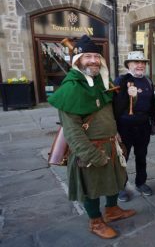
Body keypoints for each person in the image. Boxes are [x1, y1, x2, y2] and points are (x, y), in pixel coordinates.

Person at [48, 35, 135, 239]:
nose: (93, 61)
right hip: (90, 149)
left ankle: (112, 210)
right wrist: (92, 155)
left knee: (115, 179)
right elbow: (73, 132)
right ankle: (95, 222)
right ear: (77, 60)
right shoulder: (70, 89)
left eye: (96, 57)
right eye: (88, 57)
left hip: (111, 143)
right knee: (92, 188)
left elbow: (111, 111)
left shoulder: (101, 82)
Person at [113, 51, 155, 202]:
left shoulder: (148, 81)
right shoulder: (120, 81)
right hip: (124, 127)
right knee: (122, 158)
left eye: (143, 63)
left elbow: (152, 104)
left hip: (143, 126)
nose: (140, 65)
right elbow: (112, 106)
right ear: (128, 65)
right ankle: (120, 186)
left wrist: (154, 122)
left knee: (142, 156)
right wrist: (114, 130)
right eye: (136, 62)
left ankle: (141, 182)